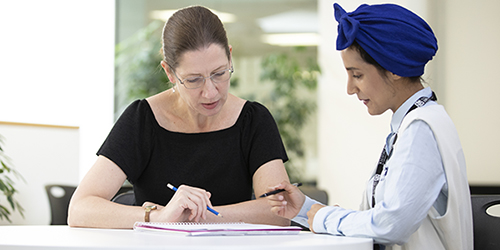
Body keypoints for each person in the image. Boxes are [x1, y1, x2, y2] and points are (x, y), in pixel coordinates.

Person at [266, 3, 473, 250]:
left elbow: (391, 225)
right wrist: (305, 209)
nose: (350, 88)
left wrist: (321, 216)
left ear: (394, 68)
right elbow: (379, 219)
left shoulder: (422, 129)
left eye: (357, 75)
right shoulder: (413, 124)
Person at [68, 5, 290, 228]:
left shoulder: (253, 120)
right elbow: (80, 209)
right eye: (194, 80)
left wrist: (189, 216)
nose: (211, 92)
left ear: (230, 58)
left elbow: (280, 211)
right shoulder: (143, 119)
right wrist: (158, 217)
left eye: (220, 73)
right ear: (170, 72)